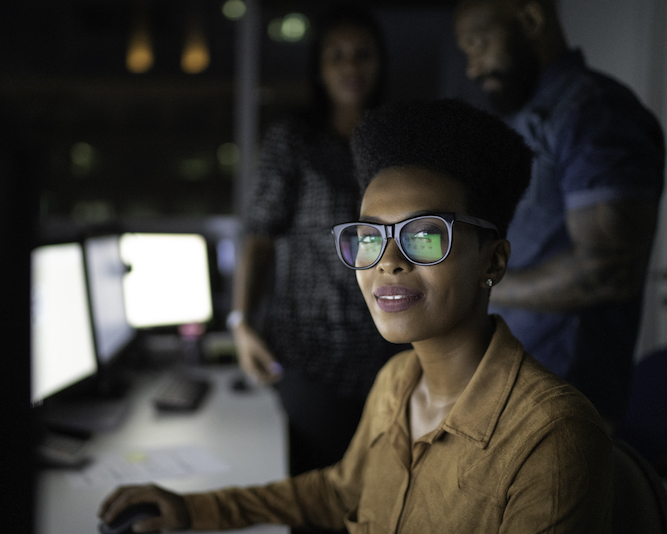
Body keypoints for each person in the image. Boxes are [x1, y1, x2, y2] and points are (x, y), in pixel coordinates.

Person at [99, 99, 613, 533]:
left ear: (493, 261)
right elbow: (342, 489)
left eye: (425, 234)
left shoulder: (550, 441)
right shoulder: (397, 382)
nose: (387, 259)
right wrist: (195, 509)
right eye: (370, 237)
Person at [453, 0, 665, 428]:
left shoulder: (595, 113)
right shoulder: (524, 119)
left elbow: (608, 271)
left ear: (530, 19)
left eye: (479, 44)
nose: (473, 68)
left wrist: (477, 283)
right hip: (508, 387)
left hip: (564, 404)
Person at [229, 5, 400, 475]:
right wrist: (241, 322)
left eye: (362, 54)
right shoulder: (295, 139)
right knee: (316, 495)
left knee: (381, 496)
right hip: (309, 354)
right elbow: (258, 238)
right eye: (336, 56)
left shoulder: (399, 141)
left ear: (380, 61)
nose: (350, 66)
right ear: (319, 68)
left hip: (390, 351)